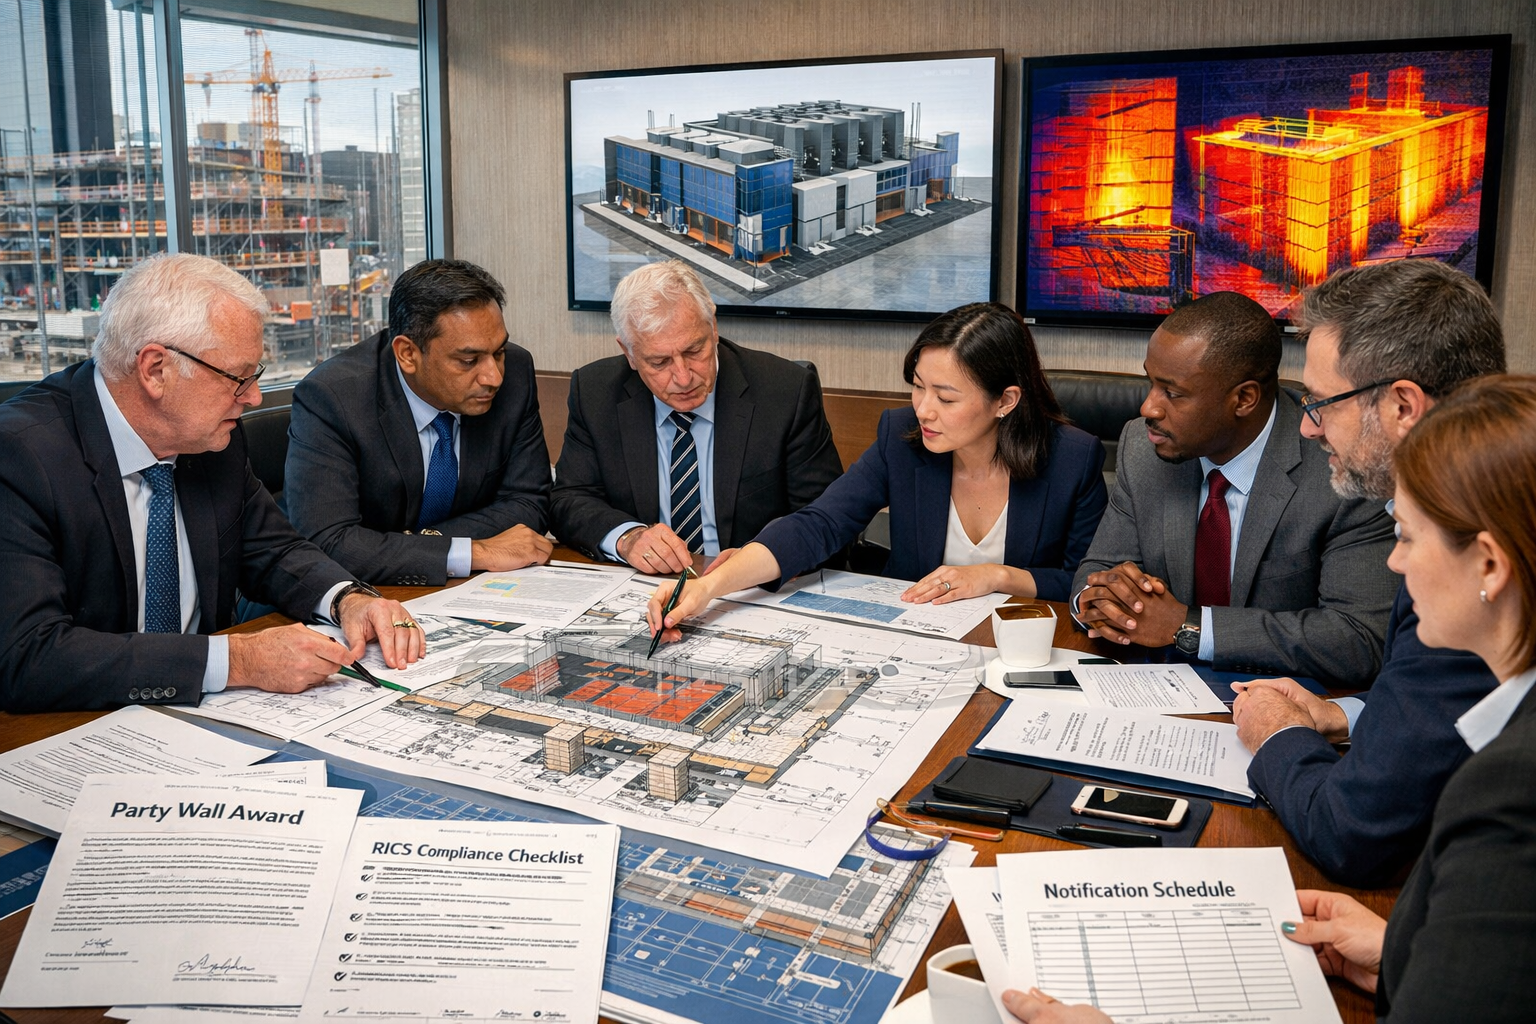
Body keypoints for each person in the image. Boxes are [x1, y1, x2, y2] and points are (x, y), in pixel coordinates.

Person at [1001, 375, 1536, 1024]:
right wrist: (1404, 953)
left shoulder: (1512, 788)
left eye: (1408, 537)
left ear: (1488, 566)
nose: (1394, 568)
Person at [0, 253, 423, 714]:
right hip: (80, 727)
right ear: (156, 369)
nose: (253, 397)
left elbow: (273, 550)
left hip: (213, 718)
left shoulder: (211, 437)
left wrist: (347, 599)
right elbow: (28, 657)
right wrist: (238, 659)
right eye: (238, 378)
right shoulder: (20, 457)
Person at [1232, 260, 1505, 885]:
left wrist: (1277, 734)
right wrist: (1350, 715)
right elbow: (1451, 720)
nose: (1306, 426)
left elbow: (1351, 832)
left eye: (1320, 403)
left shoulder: (1467, 564)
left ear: (1404, 406)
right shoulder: (1476, 507)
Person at [644, 302, 1109, 636]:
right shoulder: (903, 438)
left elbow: (1085, 581)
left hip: (1021, 651)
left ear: (1005, 401)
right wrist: (707, 588)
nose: (924, 410)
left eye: (946, 398)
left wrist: (997, 576)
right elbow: (820, 523)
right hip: (916, 640)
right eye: (918, 388)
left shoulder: (1072, 458)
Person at [1071, 291, 1397, 685]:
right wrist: (1100, 601)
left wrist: (1189, 627)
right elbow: (1097, 570)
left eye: (1172, 393)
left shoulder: (1341, 469)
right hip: (1151, 692)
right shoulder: (1143, 447)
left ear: (1244, 399)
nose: (1149, 409)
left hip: (1284, 703)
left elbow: (1359, 640)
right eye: (1151, 383)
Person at [550, 260, 842, 572]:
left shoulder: (785, 391)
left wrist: (761, 557)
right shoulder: (596, 392)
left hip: (751, 589)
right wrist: (629, 538)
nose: (683, 377)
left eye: (693, 351)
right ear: (629, 354)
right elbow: (569, 500)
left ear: (713, 328)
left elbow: (828, 515)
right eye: (660, 362)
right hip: (643, 586)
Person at [286, 258, 552, 586]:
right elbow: (328, 541)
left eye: (498, 352)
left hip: (458, 589)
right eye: (469, 361)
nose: (493, 376)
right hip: (351, 595)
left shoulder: (517, 373)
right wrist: (471, 552)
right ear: (408, 354)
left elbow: (530, 501)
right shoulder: (334, 397)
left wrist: (425, 543)